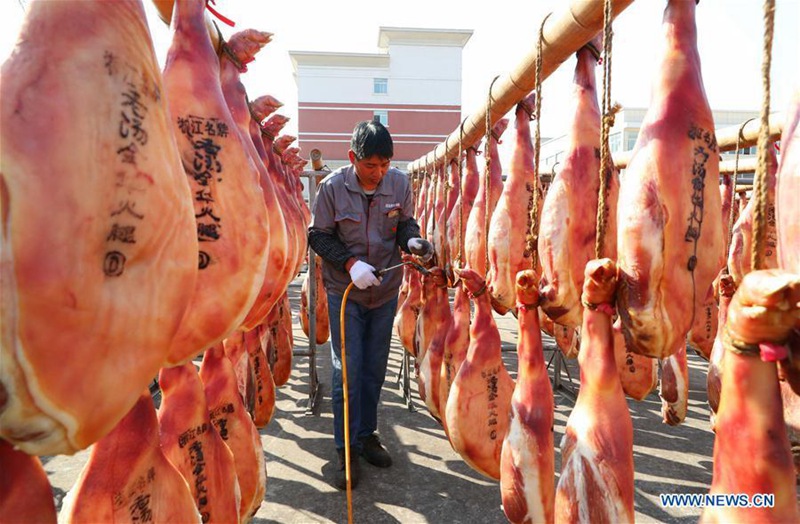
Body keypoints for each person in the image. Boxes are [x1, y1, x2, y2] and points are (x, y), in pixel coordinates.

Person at [308, 120, 432, 490]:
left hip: (384, 293)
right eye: (370, 166)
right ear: (353, 158)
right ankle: (345, 449)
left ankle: (366, 435)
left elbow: (406, 224)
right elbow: (317, 236)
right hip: (345, 293)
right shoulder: (331, 189)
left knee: (374, 370)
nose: (378, 174)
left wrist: (412, 241)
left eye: (384, 165)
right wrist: (350, 263)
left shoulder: (399, 183)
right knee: (347, 371)